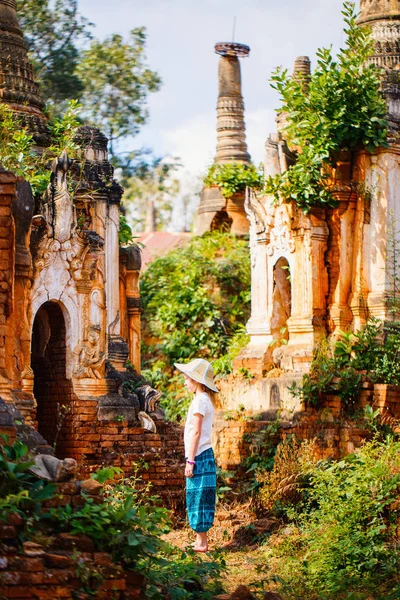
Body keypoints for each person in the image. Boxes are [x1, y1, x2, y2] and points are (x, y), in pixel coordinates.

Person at [175, 358, 219, 553]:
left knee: (199, 497)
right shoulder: (201, 399)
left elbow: (196, 432)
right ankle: (200, 540)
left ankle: (202, 542)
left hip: (199, 455)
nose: (185, 382)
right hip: (201, 454)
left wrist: (190, 461)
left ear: (196, 380)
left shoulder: (201, 400)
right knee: (196, 495)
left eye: (187, 378)